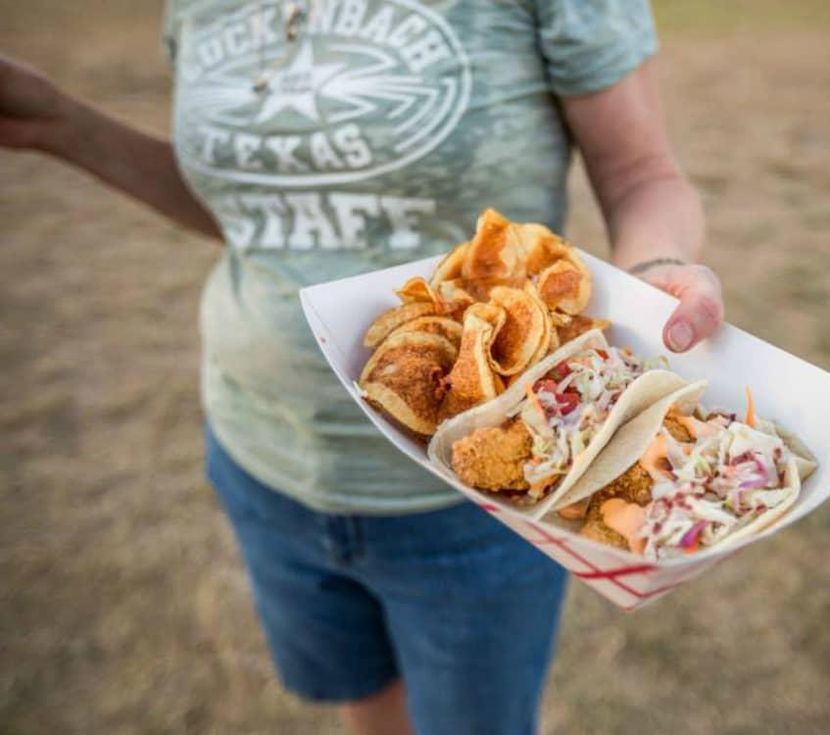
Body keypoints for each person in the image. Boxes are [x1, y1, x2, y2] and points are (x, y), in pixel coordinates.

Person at [0, 2, 723, 733]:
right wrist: (56, 123)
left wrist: (658, 271)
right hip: (263, 461)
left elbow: (641, 173)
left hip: (477, 501)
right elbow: (250, 205)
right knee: (368, 707)